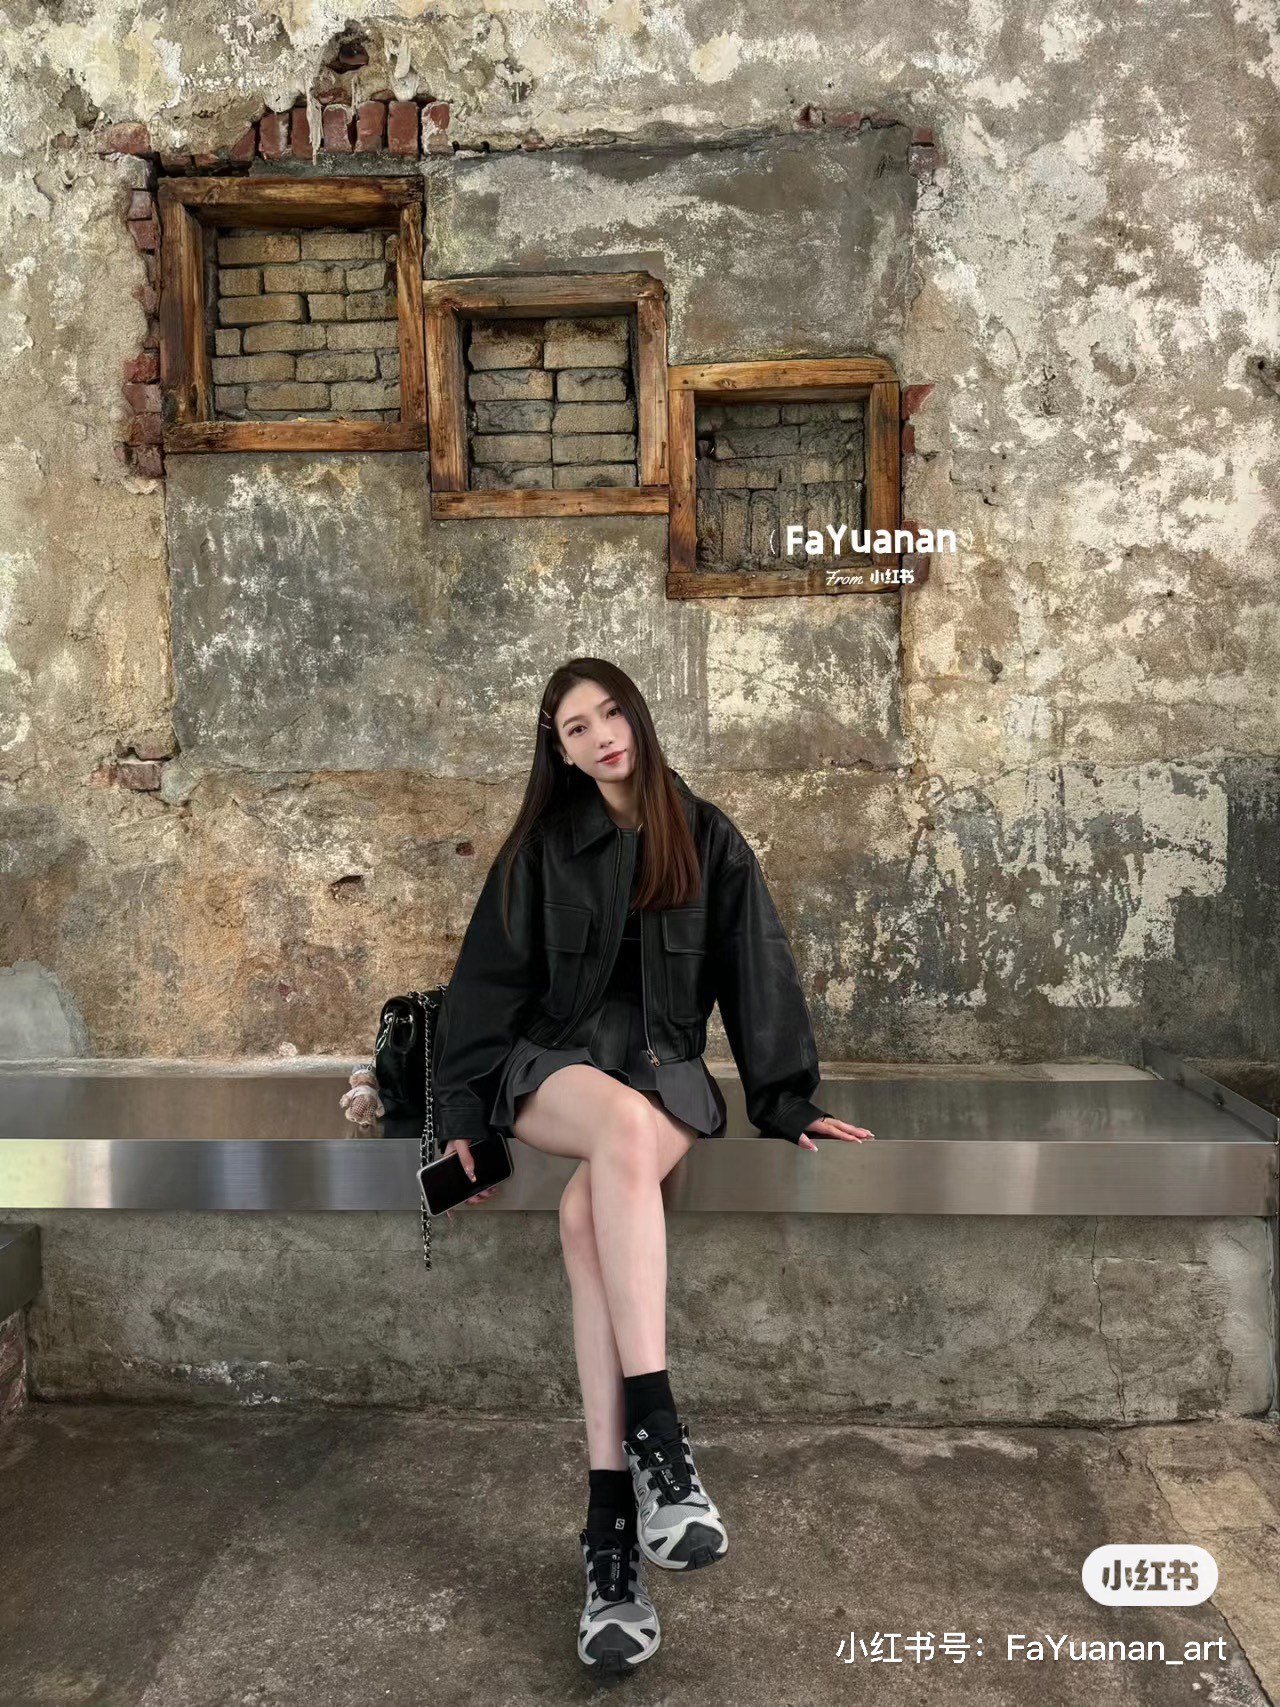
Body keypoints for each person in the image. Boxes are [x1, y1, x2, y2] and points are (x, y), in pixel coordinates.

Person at [344, 656, 874, 1674]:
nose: (599, 737)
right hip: (554, 1070)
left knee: (590, 1211)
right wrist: (464, 1115)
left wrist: (787, 1099)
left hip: (665, 1073)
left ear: (637, 713)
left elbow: (755, 970)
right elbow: (485, 988)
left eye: (609, 713)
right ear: (558, 749)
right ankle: (662, 1437)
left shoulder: (707, 837)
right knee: (621, 1132)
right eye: (574, 728)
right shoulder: (541, 848)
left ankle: (612, 1538)